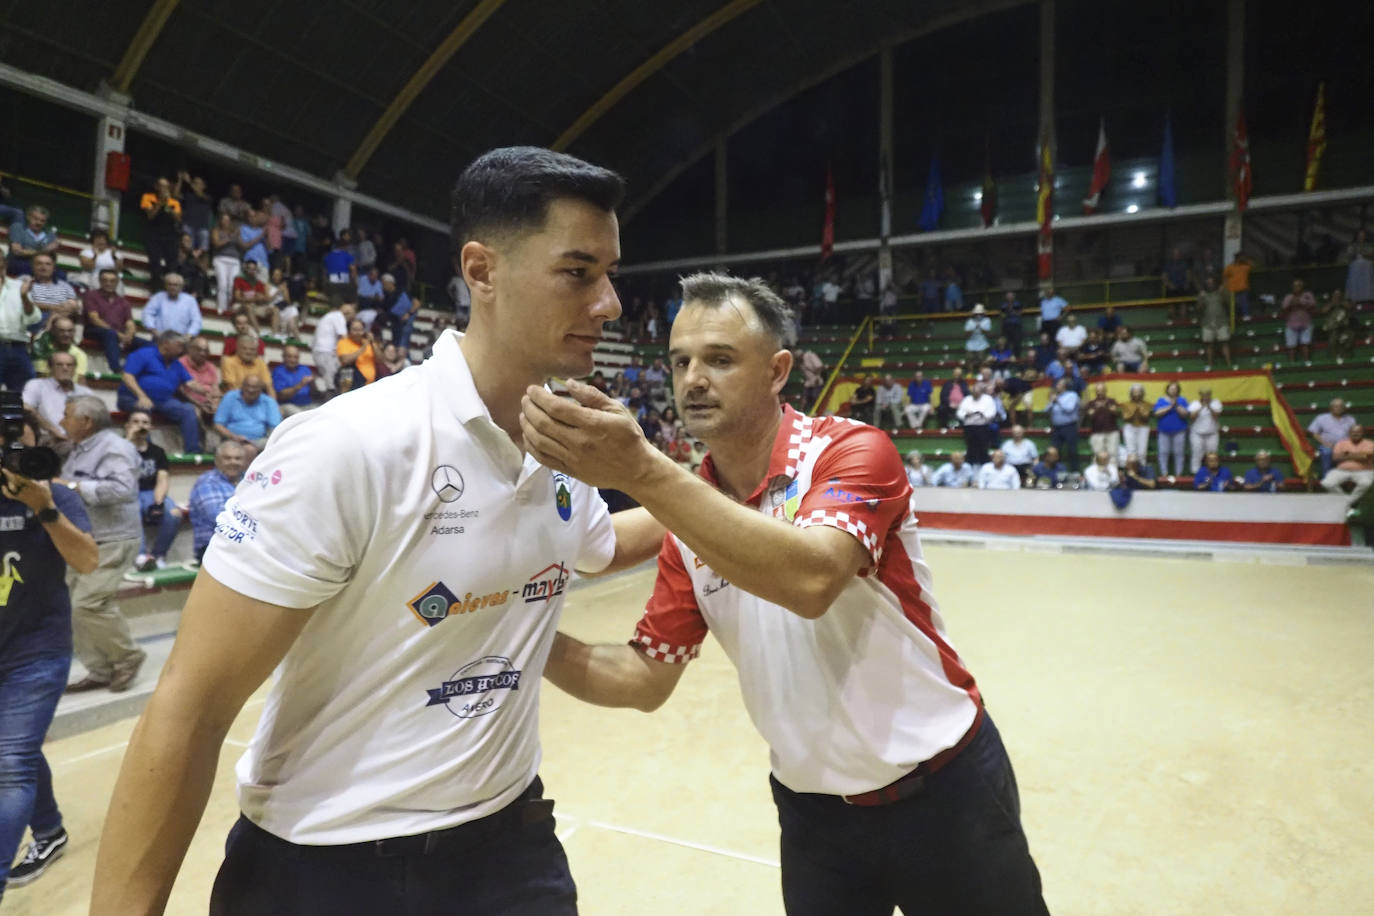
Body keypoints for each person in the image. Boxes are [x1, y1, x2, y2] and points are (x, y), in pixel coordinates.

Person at [92, 146, 665, 915]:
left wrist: (721, 502)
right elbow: (190, 706)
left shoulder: (567, 443)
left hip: (512, 848)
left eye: (610, 273)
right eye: (578, 272)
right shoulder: (348, 446)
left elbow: (599, 548)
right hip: (329, 865)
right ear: (482, 271)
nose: (610, 303)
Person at [519, 272, 1046, 916]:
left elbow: (811, 579)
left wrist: (643, 470)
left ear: (776, 371)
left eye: (719, 359)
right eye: (680, 361)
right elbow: (644, 679)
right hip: (813, 819)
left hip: (947, 793)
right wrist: (516, 636)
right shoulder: (687, 517)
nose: (693, 380)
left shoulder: (852, 450)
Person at [0, 412, 98, 899]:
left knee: (11, 761)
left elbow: (87, 561)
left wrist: (44, 508)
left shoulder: (52, 496)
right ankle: (51, 829)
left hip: (37, 651)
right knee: (17, 746)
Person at [52, 395, 145, 693]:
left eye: (67, 415)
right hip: (83, 537)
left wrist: (73, 486)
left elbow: (123, 489)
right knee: (72, 606)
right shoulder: (79, 450)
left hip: (113, 538)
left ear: (86, 421)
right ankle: (101, 669)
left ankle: (127, 658)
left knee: (89, 603)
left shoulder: (116, 447)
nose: (61, 422)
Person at [118, 332, 211, 455]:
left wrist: (208, 392)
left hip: (163, 400)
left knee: (188, 410)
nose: (182, 348)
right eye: (179, 345)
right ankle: (145, 451)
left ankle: (193, 451)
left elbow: (191, 383)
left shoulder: (176, 363)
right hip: (133, 397)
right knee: (143, 408)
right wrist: (142, 396)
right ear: (166, 344)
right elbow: (127, 376)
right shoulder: (144, 354)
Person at [124, 410, 181, 572]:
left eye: (145, 422)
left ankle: (158, 555)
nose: (140, 426)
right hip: (127, 493)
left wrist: (158, 501)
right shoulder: (120, 448)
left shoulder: (157, 451)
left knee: (174, 513)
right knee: (131, 511)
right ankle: (140, 556)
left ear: (151, 427)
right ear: (127, 425)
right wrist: (128, 440)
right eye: (135, 421)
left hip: (150, 491)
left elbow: (162, 478)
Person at [186, 441, 247, 563]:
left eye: (238, 458)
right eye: (227, 458)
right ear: (217, 461)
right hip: (213, 548)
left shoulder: (249, 481)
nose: (233, 462)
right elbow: (219, 518)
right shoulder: (207, 482)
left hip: (243, 545)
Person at [22, 351, 93, 455]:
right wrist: (53, 430)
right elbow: (26, 407)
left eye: (69, 365)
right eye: (59, 364)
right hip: (50, 438)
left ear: (74, 369)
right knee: (74, 448)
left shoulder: (85, 392)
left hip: (80, 438)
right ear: (50, 368)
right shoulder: (37, 385)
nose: (65, 368)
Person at [83, 268, 138, 373]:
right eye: (105, 280)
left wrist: (129, 335)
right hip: (95, 331)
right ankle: (116, 368)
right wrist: (119, 334)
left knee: (147, 345)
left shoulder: (123, 301)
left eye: (112, 281)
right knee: (111, 333)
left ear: (117, 282)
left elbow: (130, 322)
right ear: (100, 281)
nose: (108, 283)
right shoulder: (91, 295)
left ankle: (132, 370)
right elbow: (94, 319)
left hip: (118, 334)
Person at [213, 375, 281, 450]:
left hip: (259, 441)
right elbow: (218, 425)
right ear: (242, 386)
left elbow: (275, 427)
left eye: (255, 387)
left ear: (261, 389)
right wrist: (234, 437)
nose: (251, 390)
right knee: (244, 449)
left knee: (251, 448)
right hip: (231, 439)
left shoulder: (269, 402)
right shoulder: (230, 397)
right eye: (247, 386)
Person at [140, 177, 182, 288]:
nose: (164, 188)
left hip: (169, 235)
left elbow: (178, 219)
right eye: (161, 186)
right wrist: (160, 203)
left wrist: (167, 203)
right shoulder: (148, 197)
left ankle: (170, 286)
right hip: (153, 233)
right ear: (156, 187)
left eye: (166, 186)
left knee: (172, 263)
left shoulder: (174, 202)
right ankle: (155, 284)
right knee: (155, 260)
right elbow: (150, 216)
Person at [24, 254, 82, 328]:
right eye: (39, 264)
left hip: (62, 319)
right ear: (32, 267)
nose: (43, 267)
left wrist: (56, 313)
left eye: (48, 264)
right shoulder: (25, 281)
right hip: (35, 316)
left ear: (54, 268)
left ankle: (49, 326)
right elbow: (23, 303)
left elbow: (74, 306)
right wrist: (53, 307)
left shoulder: (65, 286)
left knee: (73, 304)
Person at [311, 302, 355, 396]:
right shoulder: (339, 316)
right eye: (353, 313)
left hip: (321, 351)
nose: (353, 317)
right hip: (325, 352)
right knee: (330, 385)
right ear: (348, 312)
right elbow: (344, 337)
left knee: (332, 379)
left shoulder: (331, 316)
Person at [1321, 424, 1372, 504]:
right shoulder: (1341, 443)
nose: (1355, 433)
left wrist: (1346, 454)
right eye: (1353, 432)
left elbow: (1365, 457)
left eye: (1358, 431)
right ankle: (1347, 501)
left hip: (1364, 470)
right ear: (1349, 433)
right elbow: (1335, 458)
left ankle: (1348, 502)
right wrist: (1358, 455)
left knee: (1366, 483)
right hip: (1341, 470)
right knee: (1326, 483)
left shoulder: (1370, 443)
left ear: (1363, 433)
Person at [141, 273, 203, 338]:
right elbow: (147, 314)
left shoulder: (190, 301)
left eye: (175, 285)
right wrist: (153, 330)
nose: (172, 287)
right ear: (165, 286)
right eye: (169, 284)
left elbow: (196, 321)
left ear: (181, 287)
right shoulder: (158, 297)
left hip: (182, 340)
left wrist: (189, 335)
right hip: (160, 338)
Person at [4, 206, 59, 276]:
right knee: (32, 269)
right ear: (28, 217)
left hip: (40, 264)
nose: (38, 222)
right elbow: (17, 252)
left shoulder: (50, 233)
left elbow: (52, 257)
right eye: (35, 219)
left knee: (60, 274)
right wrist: (44, 250)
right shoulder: (18, 227)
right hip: (19, 261)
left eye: (42, 221)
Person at [1308, 398, 1356, 475]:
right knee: (1327, 452)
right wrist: (1325, 443)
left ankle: (1347, 478)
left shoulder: (1350, 419)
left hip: (1345, 446)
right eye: (1336, 406)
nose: (1338, 408)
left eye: (1341, 406)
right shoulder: (1321, 418)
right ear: (1331, 408)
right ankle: (1326, 479)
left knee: (1353, 451)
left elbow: (1354, 434)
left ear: (1344, 408)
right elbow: (1314, 432)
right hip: (1327, 445)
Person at [1153, 381, 1189, 477]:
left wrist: (1176, 406)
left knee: (1179, 454)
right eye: (1171, 388)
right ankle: (1164, 474)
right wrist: (1170, 407)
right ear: (1167, 389)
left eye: (1175, 388)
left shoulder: (1182, 400)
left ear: (1178, 390)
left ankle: (1179, 475)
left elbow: (1185, 414)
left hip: (1179, 431)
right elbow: (1156, 413)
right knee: (1163, 453)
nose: (1173, 390)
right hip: (1164, 432)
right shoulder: (1161, 400)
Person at [956, 381, 998, 465]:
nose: (975, 394)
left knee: (983, 448)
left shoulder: (987, 399)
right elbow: (959, 413)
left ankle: (983, 464)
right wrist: (966, 414)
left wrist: (981, 414)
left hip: (982, 426)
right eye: (973, 393)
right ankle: (971, 464)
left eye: (977, 393)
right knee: (971, 449)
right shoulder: (967, 399)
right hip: (969, 426)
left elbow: (992, 412)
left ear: (981, 392)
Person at [1047, 378, 1082, 473]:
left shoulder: (1072, 395)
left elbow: (1069, 408)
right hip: (1056, 428)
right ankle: (1055, 472)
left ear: (1064, 386)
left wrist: (1057, 400)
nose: (1056, 386)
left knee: (1072, 451)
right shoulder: (1055, 396)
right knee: (1054, 451)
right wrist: (1051, 402)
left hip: (1069, 426)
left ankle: (1075, 473)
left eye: (1058, 384)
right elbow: (1046, 409)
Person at [210, 212, 242, 315]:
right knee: (222, 284)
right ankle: (222, 309)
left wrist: (238, 236)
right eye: (224, 219)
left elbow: (243, 246)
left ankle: (230, 309)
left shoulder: (234, 232)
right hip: (221, 259)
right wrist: (230, 237)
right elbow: (216, 244)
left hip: (235, 260)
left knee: (232, 286)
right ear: (220, 221)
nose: (226, 222)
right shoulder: (216, 231)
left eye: (228, 220)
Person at [1197, 276, 1232, 368]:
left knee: (1225, 343)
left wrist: (1223, 293)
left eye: (1212, 282)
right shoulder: (1203, 295)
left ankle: (1229, 364)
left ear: (1215, 283)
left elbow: (1228, 303)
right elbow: (1199, 309)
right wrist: (1201, 298)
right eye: (1208, 283)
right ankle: (1210, 364)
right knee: (1209, 345)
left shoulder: (1221, 293)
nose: (1210, 284)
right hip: (1207, 323)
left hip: (1222, 322)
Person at [1083, 382, 1120, 467]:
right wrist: (1097, 407)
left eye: (1102, 390)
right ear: (1095, 392)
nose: (1100, 392)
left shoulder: (1111, 401)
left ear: (1105, 391)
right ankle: (1097, 478)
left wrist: (1107, 406)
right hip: (1097, 433)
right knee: (1097, 456)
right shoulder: (1091, 403)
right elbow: (1090, 415)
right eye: (1098, 391)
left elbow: (1116, 412)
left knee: (1113, 456)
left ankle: (1112, 477)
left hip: (1112, 432)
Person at [272, 345, 314, 417]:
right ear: (283, 357)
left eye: (296, 357)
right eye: (289, 357)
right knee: (301, 416)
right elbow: (281, 396)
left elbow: (314, 393)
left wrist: (313, 384)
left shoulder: (305, 369)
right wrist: (300, 385)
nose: (293, 360)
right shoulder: (278, 371)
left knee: (321, 413)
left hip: (308, 404)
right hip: (288, 405)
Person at [1188, 387, 1223, 471]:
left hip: (1212, 433)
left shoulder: (1216, 403)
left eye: (1207, 394)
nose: (1205, 396)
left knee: (1212, 455)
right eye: (1203, 394)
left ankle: (1211, 472)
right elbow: (1191, 417)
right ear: (1200, 395)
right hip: (1196, 433)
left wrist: (1209, 406)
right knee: (1197, 454)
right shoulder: (1194, 403)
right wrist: (1201, 407)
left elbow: (1216, 416)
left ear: (1210, 395)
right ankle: (1195, 473)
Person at [1280, 278, 1315, 364]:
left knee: (1305, 343)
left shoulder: (1308, 295)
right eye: (1295, 286)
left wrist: (1301, 304)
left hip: (1306, 323)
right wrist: (1293, 304)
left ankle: (1307, 362)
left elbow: (1313, 305)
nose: (1297, 288)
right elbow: (1284, 308)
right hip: (1291, 324)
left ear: (1302, 287)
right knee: (1291, 345)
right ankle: (1292, 364)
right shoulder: (1289, 297)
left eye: (1299, 286)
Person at [383, 273, 420, 351]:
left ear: (391, 283)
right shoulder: (386, 296)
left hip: (405, 322)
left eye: (384, 283)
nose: (383, 286)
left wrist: (408, 314)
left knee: (403, 344)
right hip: (395, 324)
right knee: (395, 344)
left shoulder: (402, 291)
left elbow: (417, 303)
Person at [337, 319, 378, 390]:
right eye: (355, 330)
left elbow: (381, 360)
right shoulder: (343, 342)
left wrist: (372, 343)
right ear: (349, 331)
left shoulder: (369, 342)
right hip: (351, 386)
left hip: (370, 386)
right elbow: (345, 360)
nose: (358, 333)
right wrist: (363, 347)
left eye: (360, 330)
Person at [1120, 383, 1152, 467]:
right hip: (1129, 427)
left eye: (1139, 392)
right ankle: (1131, 471)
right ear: (1131, 393)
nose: (1137, 394)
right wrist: (1135, 409)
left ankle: (1142, 470)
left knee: (1142, 452)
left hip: (1143, 427)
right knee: (1131, 451)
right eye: (1134, 392)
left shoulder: (1147, 404)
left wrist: (1141, 410)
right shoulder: (1126, 404)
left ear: (1142, 393)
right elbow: (1126, 418)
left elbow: (1146, 418)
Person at [323, 230, 357, 306]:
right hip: (344, 282)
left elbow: (325, 272)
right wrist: (355, 283)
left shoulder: (327, 256)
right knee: (348, 302)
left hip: (331, 282)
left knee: (334, 302)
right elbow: (353, 270)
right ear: (345, 247)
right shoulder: (348, 256)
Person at [1223, 251, 1252, 320]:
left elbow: (1254, 265)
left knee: (1244, 303)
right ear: (1236, 258)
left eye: (1243, 257)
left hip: (1243, 289)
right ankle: (1234, 317)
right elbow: (1225, 276)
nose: (1241, 259)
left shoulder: (1245, 266)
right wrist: (1225, 287)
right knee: (1234, 305)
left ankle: (1246, 315)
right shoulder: (1230, 267)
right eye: (1240, 257)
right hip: (1233, 290)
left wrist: (1246, 260)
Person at [1000, 291, 1024, 355]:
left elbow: (1020, 313)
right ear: (1006, 297)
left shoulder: (1018, 304)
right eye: (1008, 296)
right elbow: (1002, 315)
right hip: (1006, 327)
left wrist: (1013, 312)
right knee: (1006, 344)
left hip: (1016, 327)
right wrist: (1009, 313)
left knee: (1017, 344)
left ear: (1013, 296)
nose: (1010, 297)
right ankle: (1006, 359)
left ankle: (1017, 359)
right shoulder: (1003, 305)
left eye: (1011, 296)